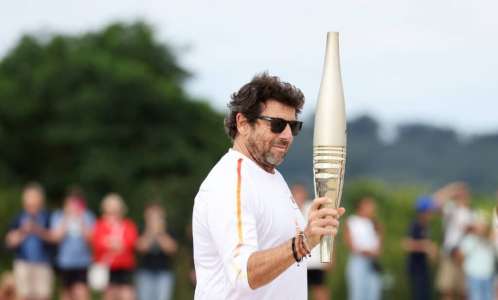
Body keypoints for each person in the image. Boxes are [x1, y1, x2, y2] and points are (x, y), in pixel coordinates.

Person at [192, 73, 345, 300]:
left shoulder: (273, 178)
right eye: (277, 124)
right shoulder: (229, 183)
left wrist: (312, 230)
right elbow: (245, 274)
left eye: (293, 126)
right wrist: (305, 241)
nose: (287, 136)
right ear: (243, 123)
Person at [5, 182, 54, 300]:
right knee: (23, 296)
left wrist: (38, 230)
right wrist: (23, 231)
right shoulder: (18, 217)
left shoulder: (48, 217)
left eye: (34, 197)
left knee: (43, 295)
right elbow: (9, 241)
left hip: (43, 262)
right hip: (23, 263)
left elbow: (55, 238)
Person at [50, 191, 95, 300]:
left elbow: (91, 239)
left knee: (82, 293)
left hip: (82, 262)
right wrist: (66, 218)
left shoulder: (87, 216)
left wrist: (80, 220)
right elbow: (56, 238)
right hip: (65, 262)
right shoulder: (58, 216)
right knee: (66, 293)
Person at [92, 193, 138, 300]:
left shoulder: (128, 224)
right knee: (109, 296)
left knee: (127, 295)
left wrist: (110, 242)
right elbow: (97, 243)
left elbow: (130, 242)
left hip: (125, 267)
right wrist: (116, 243)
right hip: (108, 268)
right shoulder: (100, 225)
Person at [291, 184, 332, 300]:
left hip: (315, 261)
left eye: (300, 194)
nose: (298, 197)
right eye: (296, 195)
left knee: (320, 289)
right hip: (296, 261)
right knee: (298, 291)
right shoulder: (288, 211)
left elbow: (326, 233)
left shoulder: (313, 209)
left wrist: (329, 256)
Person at [434, 182, 473, 300]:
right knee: (447, 289)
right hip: (449, 253)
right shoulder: (451, 209)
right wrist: (451, 190)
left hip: (465, 256)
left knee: (463, 291)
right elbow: (435, 201)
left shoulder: (471, 213)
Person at [136, 202, 178, 300]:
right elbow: (141, 248)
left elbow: (171, 249)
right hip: (144, 273)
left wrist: (160, 233)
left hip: (164, 273)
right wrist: (151, 232)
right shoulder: (141, 229)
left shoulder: (169, 231)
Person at [344, 196, 382, 300]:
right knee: (357, 293)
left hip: (373, 262)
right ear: (361, 206)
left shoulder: (374, 223)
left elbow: (379, 243)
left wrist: (375, 252)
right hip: (358, 260)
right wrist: (365, 251)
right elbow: (350, 243)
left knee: (373, 293)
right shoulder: (352, 221)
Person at [402, 196, 439, 300]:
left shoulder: (426, 226)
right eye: (429, 211)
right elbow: (406, 244)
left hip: (424, 268)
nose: (431, 214)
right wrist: (425, 246)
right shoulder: (415, 225)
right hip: (416, 268)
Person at [459, 212, 495, 300]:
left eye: (483, 225)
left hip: (488, 275)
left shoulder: (491, 240)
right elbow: (461, 255)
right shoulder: (469, 239)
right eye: (479, 225)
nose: (481, 228)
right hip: (473, 275)